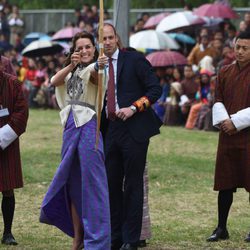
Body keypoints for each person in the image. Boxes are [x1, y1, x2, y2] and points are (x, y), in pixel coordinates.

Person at [39, 31, 111, 250]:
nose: (84, 51)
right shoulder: (70, 71)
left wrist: (99, 65)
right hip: (70, 128)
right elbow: (53, 81)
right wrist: (71, 65)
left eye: (88, 47)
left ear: (94, 49)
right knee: (71, 182)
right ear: (74, 51)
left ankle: (97, 241)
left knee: (93, 182)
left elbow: (97, 80)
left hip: (89, 125)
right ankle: (77, 238)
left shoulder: (98, 68)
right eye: (80, 48)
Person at [99, 23, 162, 250]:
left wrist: (134, 108)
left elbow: (155, 90)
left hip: (133, 129)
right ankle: (115, 236)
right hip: (110, 130)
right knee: (111, 185)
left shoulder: (133, 60)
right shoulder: (98, 66)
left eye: (110, 38)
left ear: (117, 38)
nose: (106, 42)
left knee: (133, 185)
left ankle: (131, 239)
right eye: (102, 39)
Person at [207, 31, 250, 242]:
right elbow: (218, 99)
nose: (240, 52)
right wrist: (226, 122)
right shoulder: (225, 71)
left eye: (245, 48)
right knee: (225, 182)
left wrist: (238, 122)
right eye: (238, 47)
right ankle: (221, 227)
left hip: (248, 135)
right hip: (227, 134)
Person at [0, 55, 28, 245]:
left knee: (7, 189)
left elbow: (21, 113)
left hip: (6, 143)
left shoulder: (12, 84)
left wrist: (2, 137)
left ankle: (8, 232)